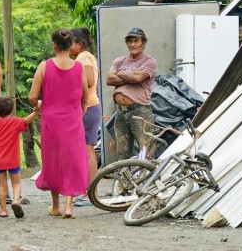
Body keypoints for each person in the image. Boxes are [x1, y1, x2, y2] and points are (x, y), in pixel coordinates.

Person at [28, 28, 89, 219]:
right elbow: (85, 98)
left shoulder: (44, 66)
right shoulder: (79, 68)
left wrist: (39, 107)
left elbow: (32, 96)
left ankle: (55, 206)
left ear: (54, 45)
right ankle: (69, 206)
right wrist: (78, 113)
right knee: (72, 160)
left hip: (51, 121)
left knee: (53, 161)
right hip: (73, 120)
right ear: (71, 46)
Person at [0, 96, 41, 218]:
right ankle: (16, 201)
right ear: (11, 110)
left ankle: (3, 210)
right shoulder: (15, 121)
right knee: (16, 183)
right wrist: (36, 111)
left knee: (2, 185)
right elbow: (27, 120)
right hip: (13, 159)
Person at [106, 28, 157, 161]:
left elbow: (137, 78)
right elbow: (109, 79)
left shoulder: (149, 62)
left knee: (145, 152)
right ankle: (123, 182)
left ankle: (149, 181)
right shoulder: (119, 60)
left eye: (136, 41)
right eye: (130, 41)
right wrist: (131, 75)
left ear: (143, 43)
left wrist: (119, 74)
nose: (132, 44)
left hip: (140, 112)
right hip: (120, 113)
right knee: (122, 153)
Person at [69, 27, 102, 206]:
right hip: (90, 106)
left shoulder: (83, 57)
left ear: (79, 44)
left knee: (87, 149)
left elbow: (88, 80)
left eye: (71, 43)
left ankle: (91, 191)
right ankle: (86, 190)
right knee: (84, 149)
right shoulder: (85, 57)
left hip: (87, 106)